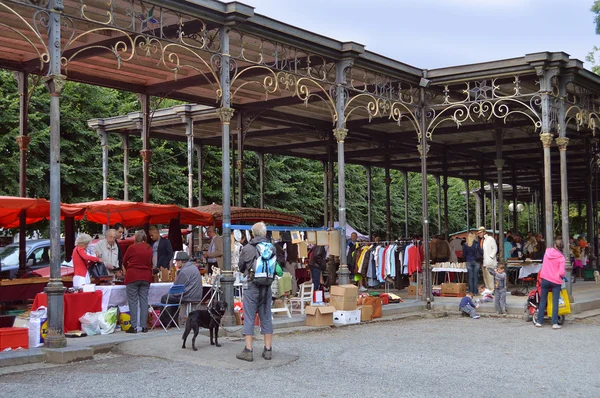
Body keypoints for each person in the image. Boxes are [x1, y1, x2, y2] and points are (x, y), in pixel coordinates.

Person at [236, 222, 283, 362]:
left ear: (252, 233)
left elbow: (240, 267)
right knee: (266, 317)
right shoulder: (272, 248)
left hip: (252, 286)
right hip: (267, 287)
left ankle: (248, 351)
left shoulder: (247, 248)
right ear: (264, 233)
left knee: (249, 317)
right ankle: (268, 350)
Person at [160, 251, 203, 327]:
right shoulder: (193, 268)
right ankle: (173, 322)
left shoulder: (184, 271)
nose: (176, 263)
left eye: (177, 261)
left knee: (165, 298)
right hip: (196, 295)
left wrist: (177, 277)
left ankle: (166, 323)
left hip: (189, 296)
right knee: (173, 298)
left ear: (181, 261)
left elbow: (177, 287)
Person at [122, 230, 153, 334]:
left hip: (133, 276)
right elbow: (150, 263)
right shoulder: (149, 248)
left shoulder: (132, 248)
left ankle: (134, 326)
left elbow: (124, 261)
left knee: (133, 301)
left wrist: (129, 269)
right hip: (146, 276)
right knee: (144, 301)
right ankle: (144, 326)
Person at [536, 237, 566, 329]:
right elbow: (561, 272)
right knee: (555, 301)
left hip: (545, 278)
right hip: (556, 281)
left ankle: (539, 321)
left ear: (554, 245)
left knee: (543, 300)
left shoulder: (547, 252)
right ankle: (554, 323)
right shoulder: (561, 257)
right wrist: (561, 276)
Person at [477, 227, 497, 291]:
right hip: (483, 261)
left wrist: (491, 257)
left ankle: (492, 289)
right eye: (479, 233)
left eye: (480, 232)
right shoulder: (480, 241)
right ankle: (488, 290)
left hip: (489, 261)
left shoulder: (490, 239)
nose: (479, 234)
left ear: (484, 232)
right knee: (485, 277)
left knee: (490, 277)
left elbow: (495, 248)